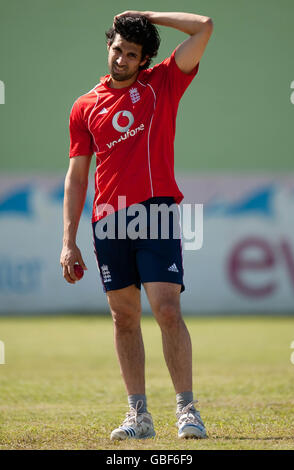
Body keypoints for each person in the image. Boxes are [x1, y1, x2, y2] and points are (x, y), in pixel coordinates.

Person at [60, 10, 213, 440]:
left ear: (144, 59)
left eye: (132, 54)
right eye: (117, 49)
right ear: (108, 46)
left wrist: (145, 16)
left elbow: (204, 26)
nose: (122, 59)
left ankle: (187, 410)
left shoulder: (163, 83)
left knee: (167, 309)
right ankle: (138, 417)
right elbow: (76, 177)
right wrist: (68, 241)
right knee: (123, 318)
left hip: (157, 211)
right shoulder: (84, 106)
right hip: (108, 220)